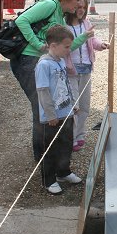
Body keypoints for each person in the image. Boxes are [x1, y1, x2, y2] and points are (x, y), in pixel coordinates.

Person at [10, 0, 94, 162]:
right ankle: (42, 158)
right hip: (27, 59)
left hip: (40, 60)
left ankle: (50, 152)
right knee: (41, 107)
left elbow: (64, 47)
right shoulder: (50, 5)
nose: (80, 4)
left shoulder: (61, 15)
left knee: (51, 106)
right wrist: (38, 44)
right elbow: (21, 20)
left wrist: (83, 38)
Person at [35, 24, 82, 195]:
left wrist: (72, 103)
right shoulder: (44, 65)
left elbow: (65, 84)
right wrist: (50, 114)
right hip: (52, 118)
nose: (69, 50)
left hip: (66, 113)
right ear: (53, 46)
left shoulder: (61, 61)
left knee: (66, 145)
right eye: (67, 47)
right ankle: (49, 180)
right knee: (51, 149)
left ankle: (63, 172)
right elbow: (43, 91)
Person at [65, 0, 109, 151]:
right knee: (73, 106)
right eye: (78, 7)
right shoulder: (64, 25)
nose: (81, 10)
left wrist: (100, 44)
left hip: (86, 68)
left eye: (84, 7)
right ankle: (70, 138)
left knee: (84, 105)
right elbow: (66, 47)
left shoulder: (86, 22)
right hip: (71, 71)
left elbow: (92, 39)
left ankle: (80, 135)